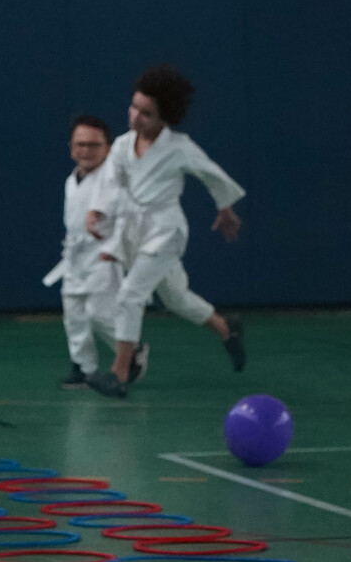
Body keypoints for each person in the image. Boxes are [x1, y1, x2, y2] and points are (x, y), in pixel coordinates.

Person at [84, 65, 245, 399]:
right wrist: (97, 210)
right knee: (175, 298)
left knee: (130, 295)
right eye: (134, 107)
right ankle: (226, 328)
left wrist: (225, 207)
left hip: (165, 231)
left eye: (146, 113)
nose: (135, 116)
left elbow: (211, 173)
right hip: (136, 230)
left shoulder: (179, 147)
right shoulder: (122, 145)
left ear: (165, 118)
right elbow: (112, 185)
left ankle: (119, 373)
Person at [42, 114, 146, 389]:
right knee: (74, 314)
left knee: (100, 314)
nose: (86, 150)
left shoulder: (115, 180)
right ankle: (83, 367)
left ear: (108, 148)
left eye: (93, 145)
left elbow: (127, 218)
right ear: (71, 147)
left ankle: (132, 350)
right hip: (74, 257)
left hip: (104, 255)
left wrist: (116, 248)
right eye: (80, 144)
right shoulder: (72, 179)